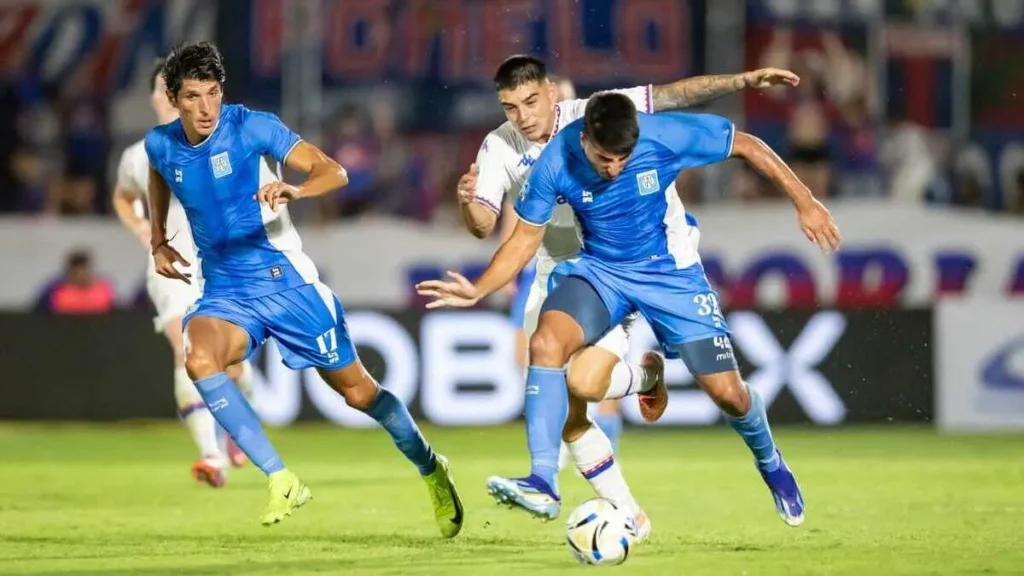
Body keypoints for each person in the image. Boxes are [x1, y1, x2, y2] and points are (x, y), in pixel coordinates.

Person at [421, 93, 841, 528]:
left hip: (670, 272)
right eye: (605, 158)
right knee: (548, 347)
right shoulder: (556, 160)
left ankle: (770, 461)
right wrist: (479, 289)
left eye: (624, 158)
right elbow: (524, 239)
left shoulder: (663, 135)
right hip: (601, 271)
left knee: (729, 394)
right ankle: (543, 482)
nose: (616, 168)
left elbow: (748, 145)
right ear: (584, 138)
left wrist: (805, 201)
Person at [144, 41, 462, 534]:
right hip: (226, 289)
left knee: (359, 395)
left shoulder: (253, 127)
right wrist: (159, 239)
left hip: (287, 283)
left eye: (212, 93)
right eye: (192, 97)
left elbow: (332, 171)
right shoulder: (160, 145)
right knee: (199, 359)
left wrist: (298, 189)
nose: (205, 107)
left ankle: (430, 466)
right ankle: (281, 477)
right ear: (174, 98)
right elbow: (160, 175)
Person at [112, 59, 257, 488]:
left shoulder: (220, 144)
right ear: (160, 98)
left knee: (229, 361)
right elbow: (123, 198)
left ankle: (238, 425)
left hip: (220, 262)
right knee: (186, 348)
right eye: (169, 89)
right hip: (170, 266)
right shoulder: (137, 156)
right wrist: (139, 224)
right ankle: (211, 456)